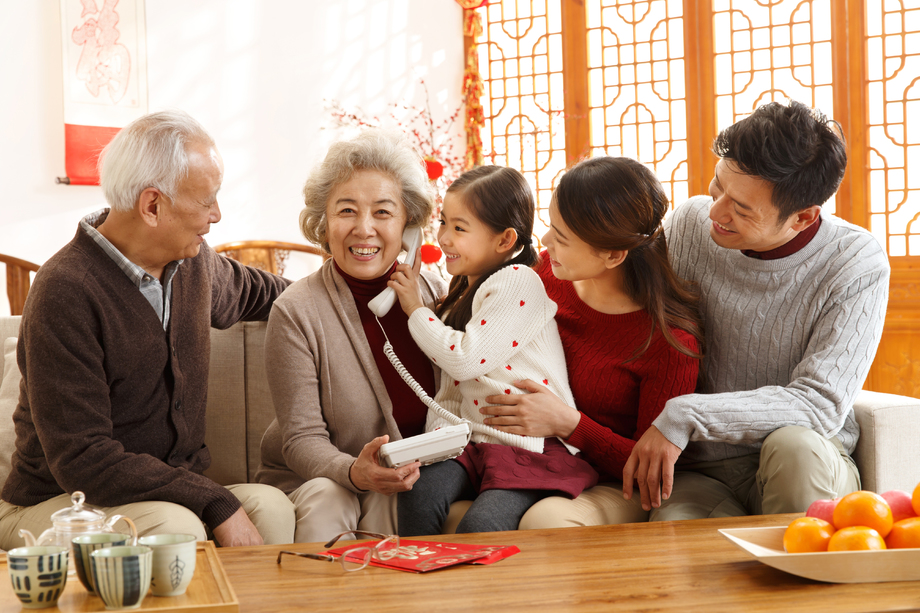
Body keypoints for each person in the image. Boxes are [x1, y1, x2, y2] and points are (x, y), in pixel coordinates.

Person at [0, 110, 296, 550]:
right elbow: (84, 459)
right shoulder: (66, 290)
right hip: (60, 503)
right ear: (152, 205)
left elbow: (272, 294)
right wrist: (212, 499)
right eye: (206, 200)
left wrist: (359, 292)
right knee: (177, 528)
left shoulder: (195, 264)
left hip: (164, 496)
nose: (217, 214)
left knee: (272, 507)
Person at [621, 100, 890, 520]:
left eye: (741, 209)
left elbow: (820, 403)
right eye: (716, 187)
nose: (715, 211)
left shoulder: (854, 261)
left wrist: (685, 414)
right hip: (702, 468)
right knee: (677, 542)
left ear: (802, 218)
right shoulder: (691, 224)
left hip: (801, 457)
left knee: (793, 447)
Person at [470, 156, 702, 529]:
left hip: (609, 480)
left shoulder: (668, 342)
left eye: (561, 238)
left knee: (545, 523)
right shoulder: (544, 275)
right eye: (551, 227)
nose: (545, 242)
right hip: (527, 457)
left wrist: (569, 423)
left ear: (613, 254)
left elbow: (648, 467)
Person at [256, 130, 447, 543]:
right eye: (347, 211)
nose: (364, 229)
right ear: (323, 222)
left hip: (408, 476)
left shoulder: (436, 297)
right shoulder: (296, 311)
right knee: (332, 497)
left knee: (397, 498)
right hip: (318, 477)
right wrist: (353, 472)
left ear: (408, 226)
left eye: (382, 212)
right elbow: (302, 439)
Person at [388, 166, 599, 535]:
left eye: (459, 228)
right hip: (471, 442)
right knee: (419, 494)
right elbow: (453, 388)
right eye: (442, 223)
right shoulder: (460, 295)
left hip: (526, 445)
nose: (443, 238)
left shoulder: (519, 282)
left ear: (504, 240)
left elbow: (465, 358)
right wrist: (435, 441)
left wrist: (414, 309)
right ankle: (418, 584)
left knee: (481, 525)